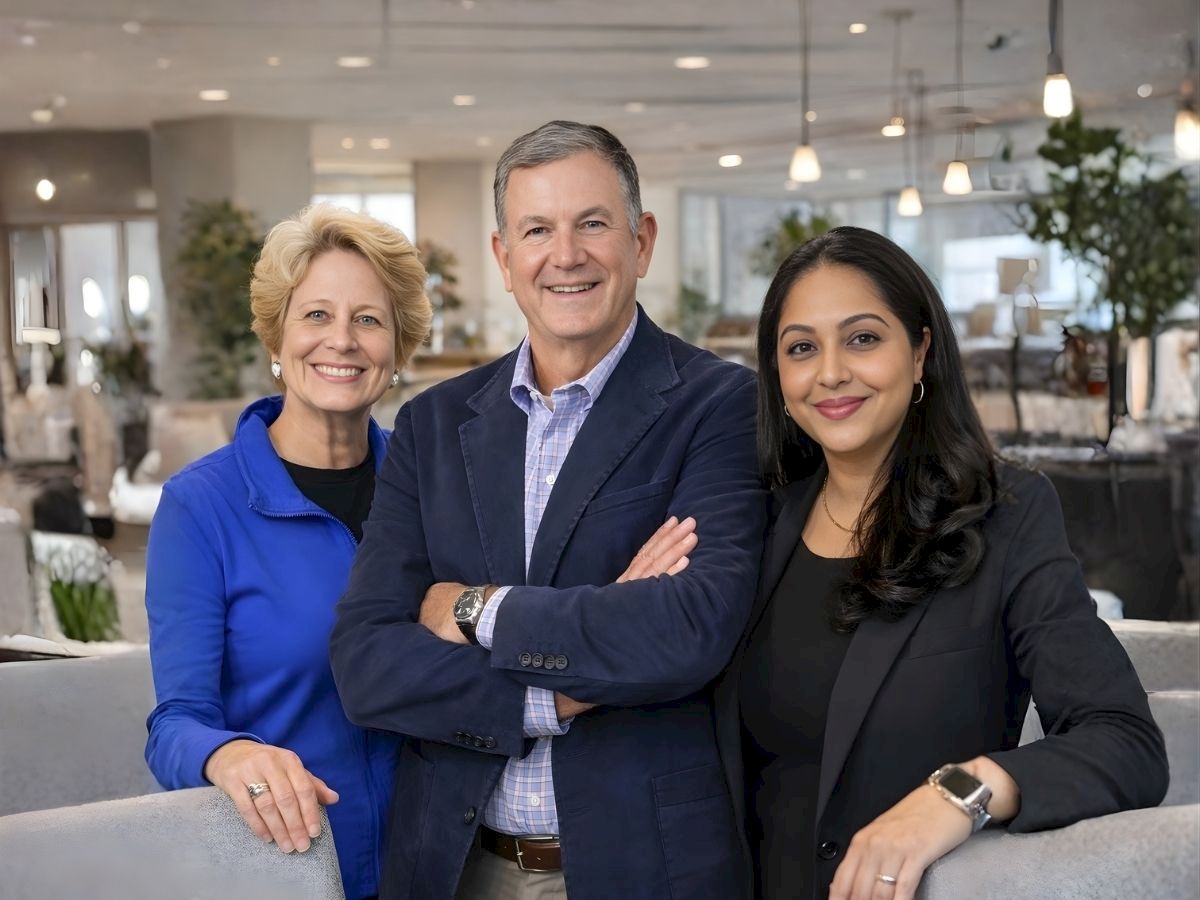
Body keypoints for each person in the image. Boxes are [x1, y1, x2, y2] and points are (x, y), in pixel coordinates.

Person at [329, 120, 769, 900]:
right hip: (456, 867)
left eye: (592, 224)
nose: (566, 255)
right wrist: (566, 683)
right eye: (537, 229)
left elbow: (689, 628)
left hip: (641, 869)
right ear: (505, 257)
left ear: (642, 240)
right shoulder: (433, 426)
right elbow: (367, 665)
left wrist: (473, 609)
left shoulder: (719, 404)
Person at [714, 226, 1168, 900]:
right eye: (802, 348)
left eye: (864, 338)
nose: (831, 371)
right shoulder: (755, 520)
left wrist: (959, 794)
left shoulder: (1006, 515)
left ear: (921, 349)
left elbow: (1125, 743)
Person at [144, 204, 432, 900]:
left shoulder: (434, 488)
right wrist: (229, 753)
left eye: (368, 319)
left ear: (397, 349)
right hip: (284, 869)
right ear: (276, 336)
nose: (343, 341)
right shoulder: (200, 506)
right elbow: (174, 725)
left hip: (436, 863)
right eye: (316, 316)